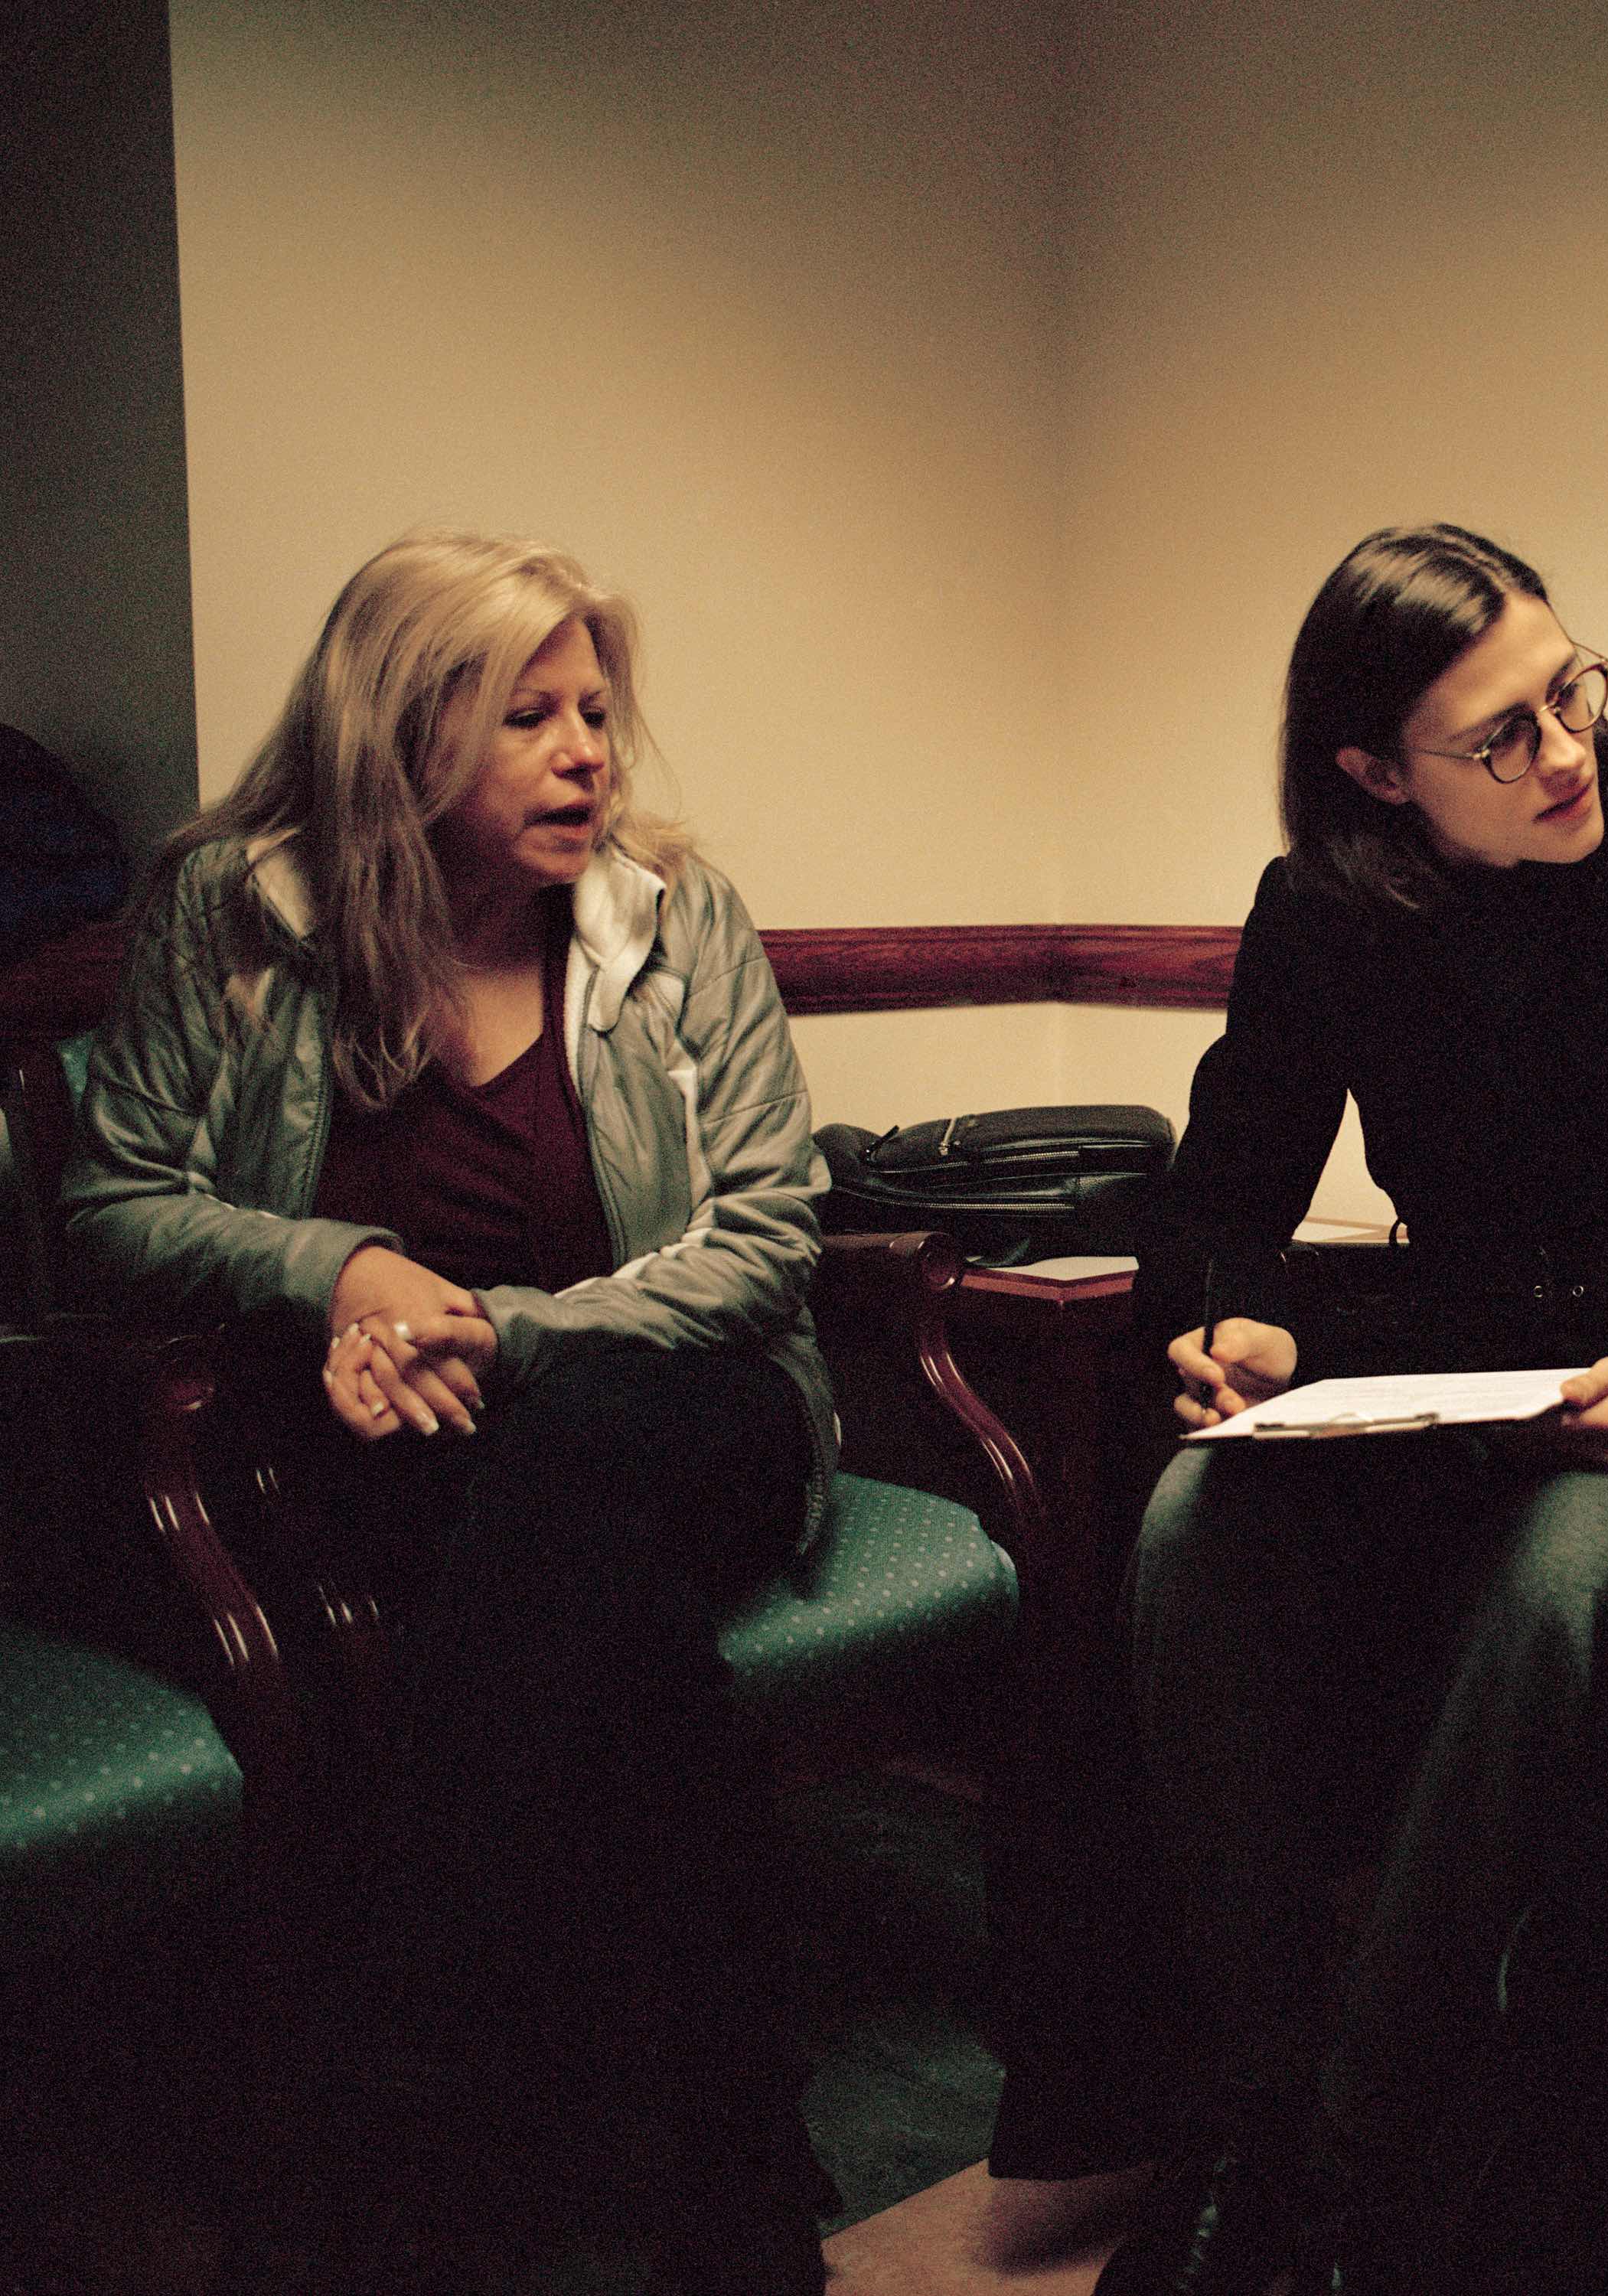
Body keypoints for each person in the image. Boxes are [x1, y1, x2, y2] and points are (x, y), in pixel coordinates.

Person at [1102, 522, 1608, 2294]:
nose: (1566, 753)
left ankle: (1356, 2147)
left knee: (1567, 1579)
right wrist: (1231, 1319)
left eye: (1571, 693)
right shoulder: (1329, 907)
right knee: (1190, 1522)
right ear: (1377, 776)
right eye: (1502, 737)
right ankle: (1258, 2098)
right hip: (1450, 1375)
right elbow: (1225, 1194)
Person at [63, 532, 836, 2295]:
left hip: (690, 1400)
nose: (589, 756)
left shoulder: (674, 916)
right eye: (530, 718)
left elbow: (768, 1242)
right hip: (401, 1432)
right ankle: (740, 2157)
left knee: (580, 1445)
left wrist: (492, 1329)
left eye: (597, 714)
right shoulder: (236, 913)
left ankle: (394, 2083)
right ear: (403, 733)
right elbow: (114, 1205)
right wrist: (334, 1270)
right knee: (625, 1636)